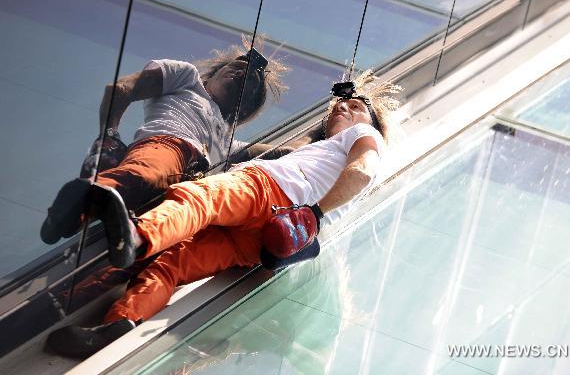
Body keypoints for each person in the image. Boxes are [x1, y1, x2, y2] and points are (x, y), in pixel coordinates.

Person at [46, 70, 402, 358]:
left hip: (268, 191)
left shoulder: (363, 134)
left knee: (197, 200)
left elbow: (363, 171)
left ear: (369, 121)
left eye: (356, 106)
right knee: (171, 265)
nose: (345, 108)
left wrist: (313, 213)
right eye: (342, 105)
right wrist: (309, 218)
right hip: (267, 244)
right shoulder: (323, 150)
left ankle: (137, 236)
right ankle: (119, 324)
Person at [40, 38, 289, 244]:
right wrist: (109, 135)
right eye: (237, 66)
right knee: (146, 175)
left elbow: (280, 152)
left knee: (144, 244)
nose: (241, 73)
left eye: (250, 81)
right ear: (214, 72)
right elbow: (122, 88)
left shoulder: (227, 142)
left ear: (245, 107)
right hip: (170, 145)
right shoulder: (187, 78)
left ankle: (73, 218)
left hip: (186, 192)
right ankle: (75, 205)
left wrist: (322, 137)